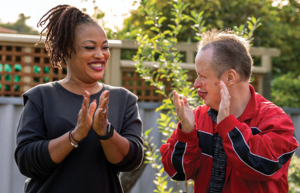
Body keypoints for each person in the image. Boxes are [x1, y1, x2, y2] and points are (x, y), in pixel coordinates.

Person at [14, 5, 143, 193]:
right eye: (90, 47)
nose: (100, 55)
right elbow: (26, 162)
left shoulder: (123, 100)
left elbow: (132, 160)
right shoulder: (41, 97)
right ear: (67, 50)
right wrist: (75, 135)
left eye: (105, 47)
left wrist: (105, 131)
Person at [160, 29, 299, 193]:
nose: (196, 84)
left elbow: (264, 166)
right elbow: (178, 171)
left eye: (202, 76)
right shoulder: (198, 118)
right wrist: (187, 132)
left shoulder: (275, 121)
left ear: (230, 78)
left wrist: (228, 126)